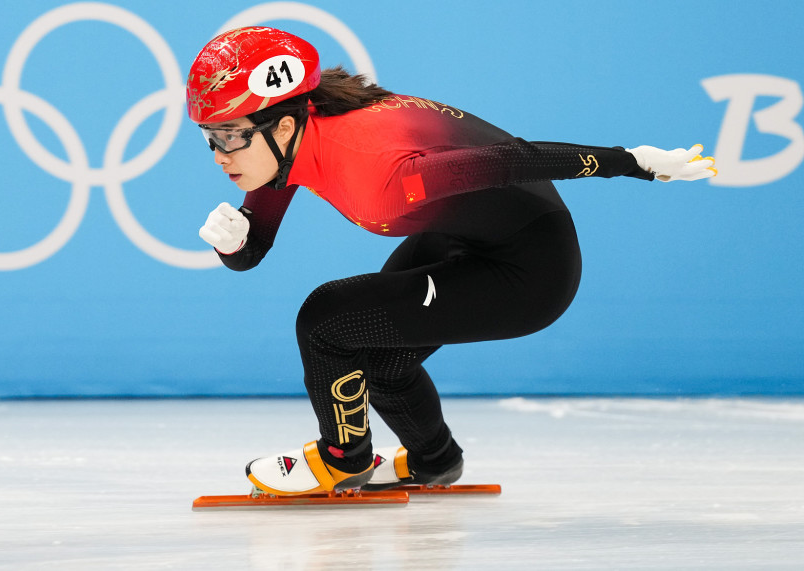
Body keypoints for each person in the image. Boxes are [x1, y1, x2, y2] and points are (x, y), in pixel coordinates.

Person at [187, 27, 716, 497]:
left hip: (530, 270)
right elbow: (252, 252)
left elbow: (516, 159)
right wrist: (235, 244)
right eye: (211, 137)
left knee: (326, 318)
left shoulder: (385, 172)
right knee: (380, 355)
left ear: (281, 127)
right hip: (467, 238)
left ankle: (341, 460)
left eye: (231, 136)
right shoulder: (300, 137)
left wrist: (635, 162)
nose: (219, 154)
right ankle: (435, 461)